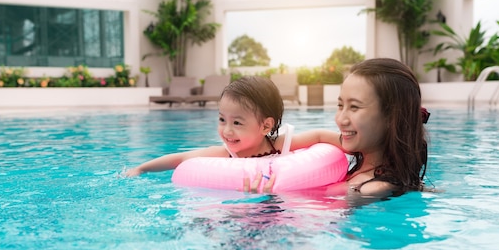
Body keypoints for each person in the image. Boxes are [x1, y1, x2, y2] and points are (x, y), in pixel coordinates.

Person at [250, 57, 429, 198]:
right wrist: (258, 145)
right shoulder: (358, 150)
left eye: (355, 107)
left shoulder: (370, 189)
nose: (340, 119)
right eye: (340, 105)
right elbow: (319, 135)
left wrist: (266, 203)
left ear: (391, 117)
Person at [123, 75, 342, 177]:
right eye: (221, 120)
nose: (227, 131)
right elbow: (179, 158)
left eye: (237, 123)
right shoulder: (225, 154)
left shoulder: (280, 145)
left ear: (265, 126)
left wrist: (356, 147)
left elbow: (320, 135)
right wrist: (140, 169)